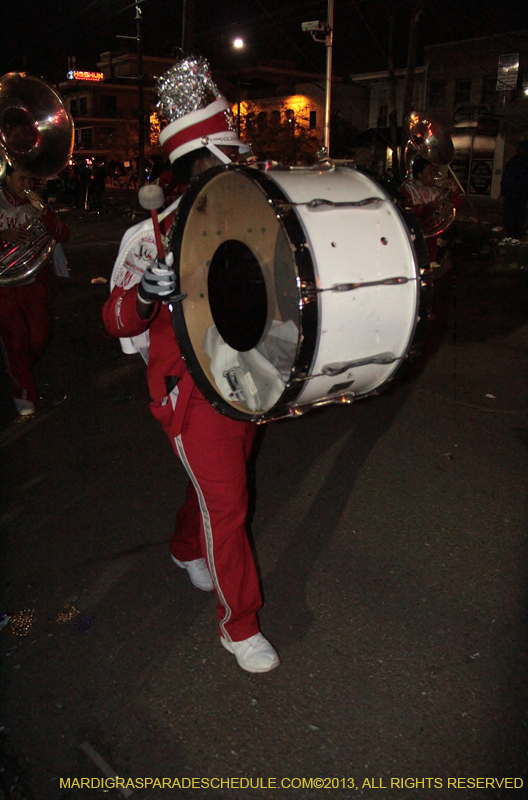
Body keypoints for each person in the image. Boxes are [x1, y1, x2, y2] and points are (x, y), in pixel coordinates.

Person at [102, 57, 279, 674]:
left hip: (248, 379)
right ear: (200, 163)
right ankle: (240, 626)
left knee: (216, 487)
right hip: (191, 390)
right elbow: (118, 320)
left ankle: (184, 548)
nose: (239, 163)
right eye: (228, 154)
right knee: (229, 505)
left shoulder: (255, 217)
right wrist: (148, 292)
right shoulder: (154, 232)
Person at [0, 166, 70, 416]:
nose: (26, 184)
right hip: (5, 286)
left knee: (39, 337)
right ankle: (24, 393)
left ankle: (19, 371)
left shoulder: (37, 205)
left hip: (34, 283)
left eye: (29, 178)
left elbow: (63, 234)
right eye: (20, 179)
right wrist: (4, 235)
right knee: (14, 339)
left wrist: (43, 211)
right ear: (6, 178)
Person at [400, 157, 461, 264]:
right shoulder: (408, 188)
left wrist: (453, 190)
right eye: (429, 172)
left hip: (433, 239)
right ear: (419, 175)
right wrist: (426, 208)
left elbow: (454, 204)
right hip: (414, 239)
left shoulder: (435, 188)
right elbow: (405, 211)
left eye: (433, 172)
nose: (433, 175)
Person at [500, 140, 528, 242]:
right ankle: (510, 234)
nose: (518, 150)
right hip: (510, 193)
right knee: (508, 215)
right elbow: (507, 174)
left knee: (518, 215)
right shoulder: (514, 160)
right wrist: (504, 187)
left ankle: (516, 235)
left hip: (519, 195)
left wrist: (523, 188)